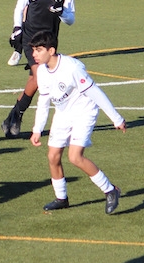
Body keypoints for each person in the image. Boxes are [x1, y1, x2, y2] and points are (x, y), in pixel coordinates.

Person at [27, 31, 126, 215]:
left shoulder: (72, 68)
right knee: (53, 156)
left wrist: (116, 118)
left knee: (74, 157)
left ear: (52, 50)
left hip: (84, 112)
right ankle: (61, 198)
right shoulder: (41, 71)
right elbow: (44, 101)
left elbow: (95, 93)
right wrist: (37, 129)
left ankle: (110, 190)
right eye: (34, 50)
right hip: (63, 113)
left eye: (39, 50)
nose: (34, 54)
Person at [1, 0, 74, 138]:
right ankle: (25, 119)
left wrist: (61, 12)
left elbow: (71, 19)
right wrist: (17, 28)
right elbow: (19, 8)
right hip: (31, 39)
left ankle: (14, 115)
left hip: (49, 42)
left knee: (35, 80)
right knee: (40, 77)